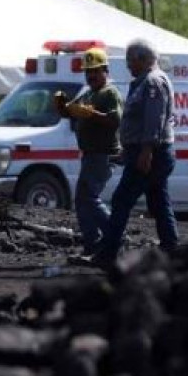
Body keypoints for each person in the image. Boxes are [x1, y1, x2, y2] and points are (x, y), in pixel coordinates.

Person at [83, 40, 178, 266]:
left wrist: (146, 151)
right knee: (159, 201)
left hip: (151, 154)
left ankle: (108, 254)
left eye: (130, 60)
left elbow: (154, 120)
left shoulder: (153, 82)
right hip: (148, 152)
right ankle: (171, 249)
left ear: (142, 59)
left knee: (121, 200)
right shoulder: (145, 81)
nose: (127, 65)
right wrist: (128, 151)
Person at [54, 48, 123, 254]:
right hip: (90, 155)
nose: (91, 75)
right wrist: (62, 106)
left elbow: (115, 120)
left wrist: (92, 114)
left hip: (103, 154)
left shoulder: (109, 93)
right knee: (81, 201)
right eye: (88, 71)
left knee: (89, 198)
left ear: (105, 71)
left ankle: (114, 235)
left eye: (95, 71)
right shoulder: (89, 93)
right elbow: (70, 111)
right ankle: (92, 245)